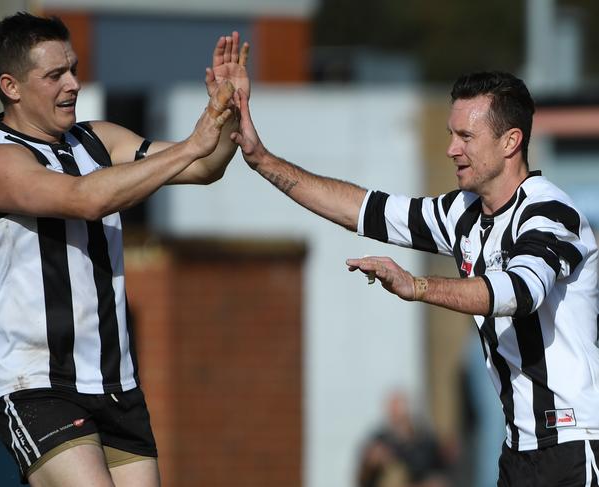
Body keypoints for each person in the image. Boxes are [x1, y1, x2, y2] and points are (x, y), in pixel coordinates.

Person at [230, 71, 599, 486]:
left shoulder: (549, 211)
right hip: (519, 451)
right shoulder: (463, 212)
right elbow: (362, 210)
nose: (450, 149)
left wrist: (419, 287)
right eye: (450, 133)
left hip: (574, 443)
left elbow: (518, 292)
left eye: (465, 136)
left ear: (510, 141)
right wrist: (261, 159)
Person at [0, 12, 249, 487]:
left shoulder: (99, 138)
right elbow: (85, 199)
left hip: (117, 385)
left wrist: (227, 109)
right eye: (55, 75)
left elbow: (203, 167)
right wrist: (194, 144)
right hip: (36, 385)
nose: (73, 84)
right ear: (10, 86)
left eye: (73, 68)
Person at [356, 391, 450, 487]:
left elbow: (441, 475)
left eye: (399, 408)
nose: (396, 413)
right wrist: (371, 463)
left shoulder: (425, 440)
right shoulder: (378, 441)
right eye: (393, 409)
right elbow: (362, 479)